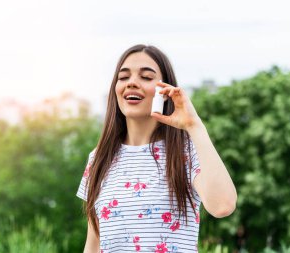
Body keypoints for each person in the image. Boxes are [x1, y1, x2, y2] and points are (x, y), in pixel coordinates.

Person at [76, 44, 237, 253]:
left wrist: (194, 125)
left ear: (165, 90)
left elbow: (223, 206)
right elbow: (93, 243)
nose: (132, 82)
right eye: (123, 77)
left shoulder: (185, 151)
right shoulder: (98, 158)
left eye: (146, 77)